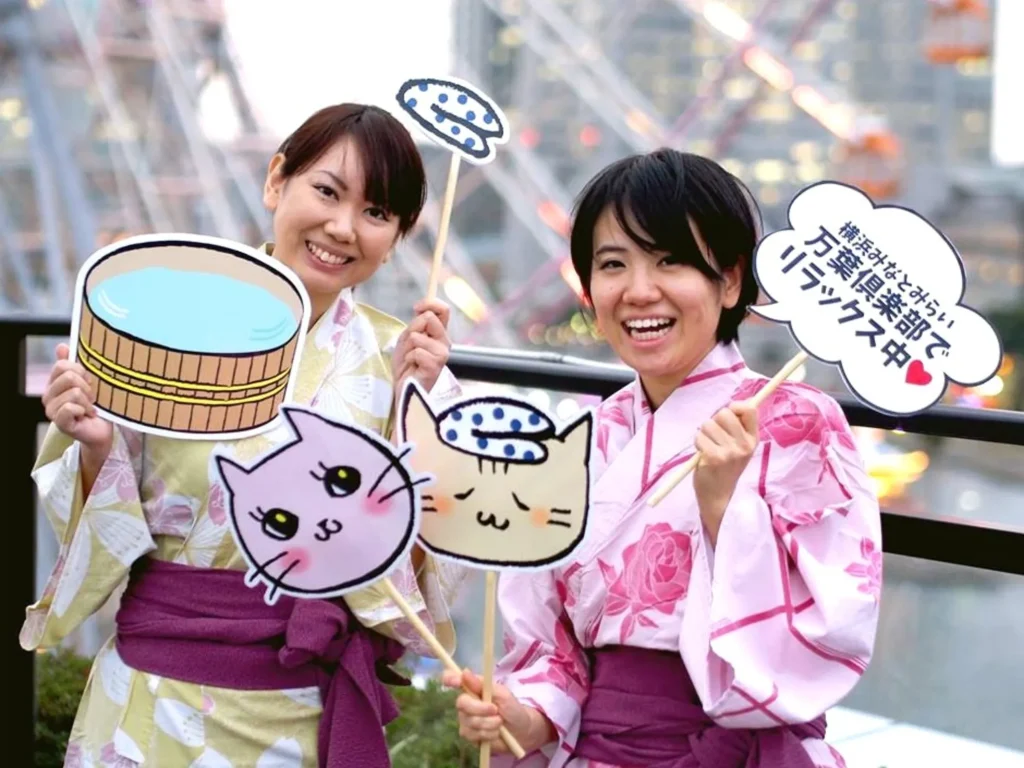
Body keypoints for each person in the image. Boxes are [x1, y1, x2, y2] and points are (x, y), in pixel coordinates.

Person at [24, 103, 470, 767]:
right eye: (327, 191)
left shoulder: (405, 366)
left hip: (299, 707)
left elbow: (437, 558)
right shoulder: (165, 318)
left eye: (377, 213)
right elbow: (94, 519)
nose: (343, 228)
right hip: (153, 701)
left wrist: (419, 415)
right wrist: (95, 447)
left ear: (399, 234)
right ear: (275, 181)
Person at [444, 149, 882, 767]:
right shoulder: (586, 440)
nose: (639, 291)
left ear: (730, 280)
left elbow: (835, 624)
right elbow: (553, 643)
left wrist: (725, 509)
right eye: (612, 265)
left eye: (670, 260)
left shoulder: (799, 421)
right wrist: (526, 715)